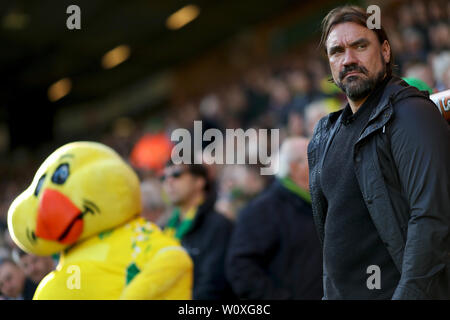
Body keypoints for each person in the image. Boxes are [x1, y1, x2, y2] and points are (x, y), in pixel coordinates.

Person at [308, 5, 450, 299]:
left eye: (360, 46)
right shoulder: (324, 133)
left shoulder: (410, 113)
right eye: (337, 52)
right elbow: (332, 238)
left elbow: (431, 217)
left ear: (385, 51)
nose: (348, 60)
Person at [226, 137, 323, 299]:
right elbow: (241, 267)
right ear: (295, 167)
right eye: (314, 158)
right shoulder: (262, 209)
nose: (323, 163)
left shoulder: (323, 202)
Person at [161, 160, 234, 300]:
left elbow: (213, 284)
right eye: (163, 177)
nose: (168, 181)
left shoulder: (219, 226)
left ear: (199, 182)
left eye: (177, 174)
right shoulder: (165, 228)